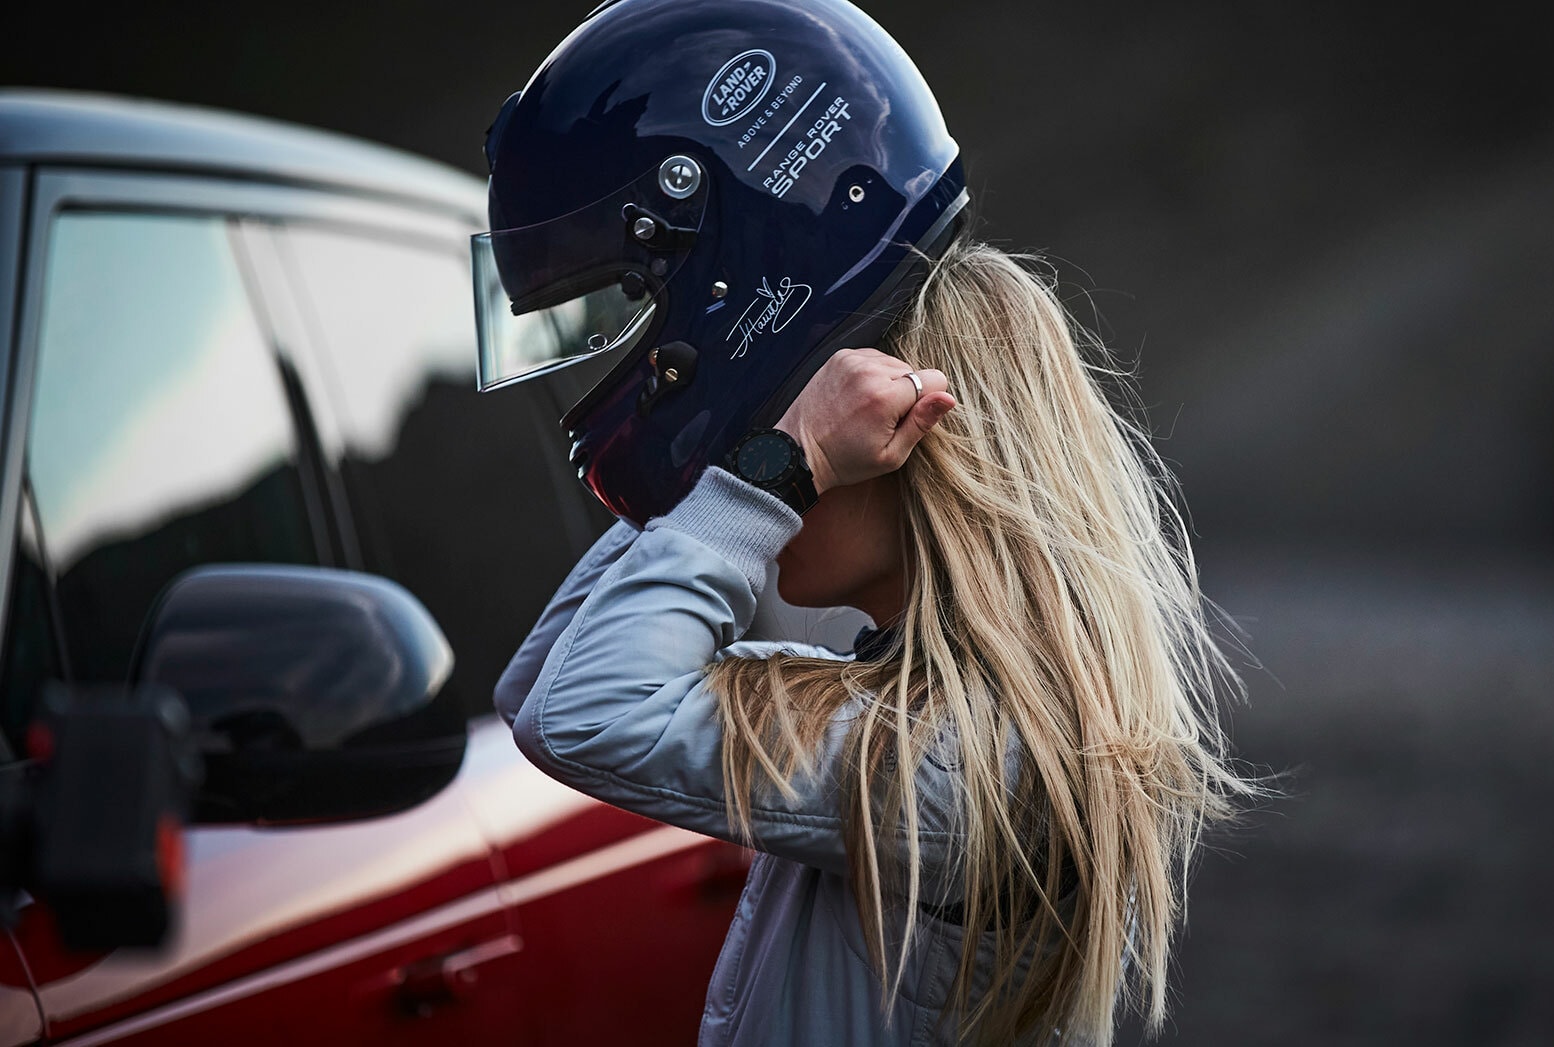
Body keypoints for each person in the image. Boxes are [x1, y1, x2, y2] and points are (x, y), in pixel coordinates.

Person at [477, 2, 1253, 1043]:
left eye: (794, 444)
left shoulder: (982, 769)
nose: (758, 482)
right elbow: (541, 687)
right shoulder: (915, 715)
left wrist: (768, 469)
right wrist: (705, 453)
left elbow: (585, 710)